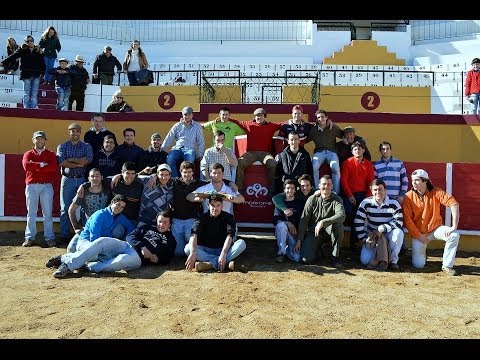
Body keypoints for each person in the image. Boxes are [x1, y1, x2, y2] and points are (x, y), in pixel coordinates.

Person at [46, 194, 138, 278]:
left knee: (110, 257)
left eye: (122, 207)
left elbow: (131, 228)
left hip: (101, 246)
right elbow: (94, 238)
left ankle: (76, 260)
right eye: (118, 205)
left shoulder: (120, 217)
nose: (119, 208)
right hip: (87, 242)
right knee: (94, 255)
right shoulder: (100, 215)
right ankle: (64, 260)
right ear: (112, 202)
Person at [402, 169, 460, 276]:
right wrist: (419, 236)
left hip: (436, 229)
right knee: (418, 265)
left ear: (425, 181)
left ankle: (447, 266)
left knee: (454, 235)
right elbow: (407, 220)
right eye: (412, 180)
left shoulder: (436, 191)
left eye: (417, 180)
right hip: (419, 233)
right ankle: (421, 254)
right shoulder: (408, 196)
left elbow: (454, 204)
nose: (413, 183)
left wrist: (454, 226)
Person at [184, 195, 246, 272]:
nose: (215, 208)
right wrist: (193, 253)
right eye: (212, 205)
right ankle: (221, 262)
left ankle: (210, 264)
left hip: (223, 249)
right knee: (187, 249)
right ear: (208, 205)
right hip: (205, 249)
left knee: (241, 243)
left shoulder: (228, 217)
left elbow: (230, 236)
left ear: (222, 206)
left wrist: (223, 254)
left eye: (218, 205)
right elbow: (194, 234)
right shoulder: (202, 217)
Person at [354, 179, 404, 271]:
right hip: (373, 235)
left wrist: (382, 229)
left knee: (398, 233)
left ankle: (393, 261)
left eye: (380, 189)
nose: (378, 192)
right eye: (375, 190)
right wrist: (365, 240)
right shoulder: (365, 203)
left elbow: (399, 221)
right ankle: (381, 257)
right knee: (365, 261)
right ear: (371, 191)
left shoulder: (394, 203)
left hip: (389, 234)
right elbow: (358, 222)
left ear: (385, 190)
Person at [297, 175, 345, 268]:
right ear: (319, 186)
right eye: (323, 184)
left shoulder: (337, 199)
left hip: (329, 230)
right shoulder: (312, 199)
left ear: (332, 186)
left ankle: (336, 256)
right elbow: (304, 220)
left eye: (328, 184)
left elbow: (342, 216)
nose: (326, 187)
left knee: (338, 226)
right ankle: (318, 250)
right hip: (313, 232)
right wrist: (299, 240)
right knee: (306, 260)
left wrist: (323, 222)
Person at [56, 122, 93, 244]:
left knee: (84, 207)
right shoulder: (62, 146)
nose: (75, 133)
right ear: (69, 132)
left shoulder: (86, 146)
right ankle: (64, 235)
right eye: (73, 131)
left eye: (77, 131)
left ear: (80, 133)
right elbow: (62, 162)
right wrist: (79, 163)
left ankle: (84, 233)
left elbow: (87, 160)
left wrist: (70, 160)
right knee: (65, 207)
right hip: (67, 179)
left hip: (82, 179)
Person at [229, 107, 281, 195]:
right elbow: (237, 122)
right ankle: (239, 189)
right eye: (257, 116)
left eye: (260, 115)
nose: (258, 117)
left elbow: (281, 124)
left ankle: (272, 190)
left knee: (272, 164)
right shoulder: (249, 124)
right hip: (251, 153)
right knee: (240, 163)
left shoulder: (271, 126)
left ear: (264, 116)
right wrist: (227, 118)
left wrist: (292, 120)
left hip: (265, 154)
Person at [21, 130, 57, 247]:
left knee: (47, 213)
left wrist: (35, 165)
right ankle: (29, 237)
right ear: (33, 140)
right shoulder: (28, 154)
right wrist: (42, 165)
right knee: (31, 213)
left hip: (46, 185)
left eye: (42, 138)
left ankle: (50, 238)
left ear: (45, 140)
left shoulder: (50, 154)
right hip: (31, 185)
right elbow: (26, 166)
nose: (40, 140)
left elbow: (52, 168)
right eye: (37, 138)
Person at [373, 141, 409, 252]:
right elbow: (375, 183)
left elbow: (405, 180)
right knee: (382, 220)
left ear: (390, 150)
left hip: (396, 198)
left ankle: (402, 247)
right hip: (382, 199)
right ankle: (384, 247)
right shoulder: (377, 165)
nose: (385, 151)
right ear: (380, 151)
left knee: (398, 222)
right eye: (383, 149)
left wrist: (402, 195)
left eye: (387, 149)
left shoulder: (399, 163)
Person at [340, 141, 375, 252]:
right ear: (352, 151)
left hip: (363, 195)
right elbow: (343, 180)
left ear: (364, 150)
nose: (358, 151)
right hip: (348, 194)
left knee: (358, 217)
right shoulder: (347, 162)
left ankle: (354, 244)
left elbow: (371, 182)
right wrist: (350, 196)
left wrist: (367, 199)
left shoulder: (369, 164)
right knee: (346, 213)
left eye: (360, 149)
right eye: (355, 149)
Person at [67, 168, 112, 252]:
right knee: (71, 249)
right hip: (88, 227)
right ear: (88, 178)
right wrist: (76, 227)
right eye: (92, 176)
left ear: (102, 177)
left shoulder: (108, 190)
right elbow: (71, 210)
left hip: (106, 227)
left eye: (97, 176)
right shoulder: (83, 192)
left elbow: (122, 176)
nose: (95, 178)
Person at [0, 35, 45, 109]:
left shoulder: (38, 50)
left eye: (31, 40)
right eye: (28, 41)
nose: (30, 42)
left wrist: (42, 73)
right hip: (26, 74)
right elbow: (13, 56)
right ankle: (26, 109)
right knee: (26, 94)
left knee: (34, 94)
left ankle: (33, 109)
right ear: (25, 42)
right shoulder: (22, 49)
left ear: (33, 41)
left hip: (36, 74)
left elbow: (42, 63)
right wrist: (3, 63)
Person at [161, 106, 205, 178]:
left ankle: (187, 180)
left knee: (189, 160)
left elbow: (201, 141)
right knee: (170, 159)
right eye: (185, 114)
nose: (187, 116)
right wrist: (162, 148)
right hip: (177, 148)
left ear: (192, 115)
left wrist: (200, 154)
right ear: (182, 115)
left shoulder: (197, 126)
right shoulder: (177, 125)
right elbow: (169, 138)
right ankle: (175, 179)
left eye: (189, 114)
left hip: (189, 149)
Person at [306, 109, 343, 192]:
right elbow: (305, 140)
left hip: (332, 152)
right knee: (314, 166)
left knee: (335, 168)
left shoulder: (333, 127)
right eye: (318, 117)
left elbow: (343, 135)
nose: (320, 119)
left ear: (326, 117)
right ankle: (316, 190)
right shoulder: (314, 129)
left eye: (322, 117)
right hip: (319, 153)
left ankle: (336, 192)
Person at [273, 179, 303, 263]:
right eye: (288, 188)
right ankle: (281, 253)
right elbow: (275, 220)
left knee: (297, 258)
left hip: (294, 235)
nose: (290, 190)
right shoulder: (280, 203)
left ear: (295, 189)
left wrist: (298, 240)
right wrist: (287, 223)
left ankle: (287, 248)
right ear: (284, 190)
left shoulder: (300, 203)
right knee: (281, 225)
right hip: (282, 231)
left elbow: (302, 222)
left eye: (292, 188)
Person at [274, 130, 313, 194]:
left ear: (299, 140)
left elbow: (309, 172)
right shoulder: (282, 155)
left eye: (296, 139)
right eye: (291, 140)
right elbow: (278, 174)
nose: (294, 142)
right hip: (287, 189)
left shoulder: (305, 155)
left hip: (301, 189)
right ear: (288, 141)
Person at [136, 163, 174, 227]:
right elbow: (131, 177)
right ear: (157, 174)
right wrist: (143, 172)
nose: (164, 177)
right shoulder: (148, 180)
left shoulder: (172, 187)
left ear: (170, 175)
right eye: (161, 174)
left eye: (166, 175)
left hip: (160, 223)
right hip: (143, 219)